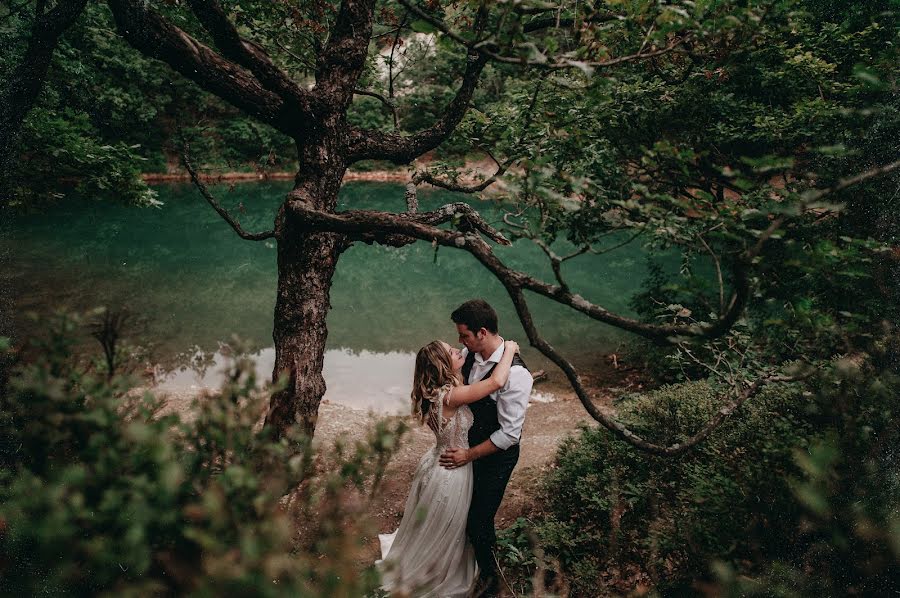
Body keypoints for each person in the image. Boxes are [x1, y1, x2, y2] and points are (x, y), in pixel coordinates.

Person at [377, 338, 521, 597]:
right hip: (453, 468)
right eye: (452, 352)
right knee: (449, 524)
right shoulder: (452, 395)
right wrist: (509, 349)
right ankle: (438, 572)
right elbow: (497, 382)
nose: (459, 350)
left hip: (436, 461)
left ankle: (433, 561)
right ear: (444, 365)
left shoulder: (434, 391)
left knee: (434, 523)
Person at [440, 299, 533, 598]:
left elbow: (509, 434)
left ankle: (492, 582)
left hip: (496, 457)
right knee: (465, 510)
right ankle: (468, 565)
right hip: (469, 449)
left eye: (464, 335)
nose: (460, 342)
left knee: (479, 519)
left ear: (482, 332)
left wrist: (468, 454)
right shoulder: (470, 353)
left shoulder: (517, 375)